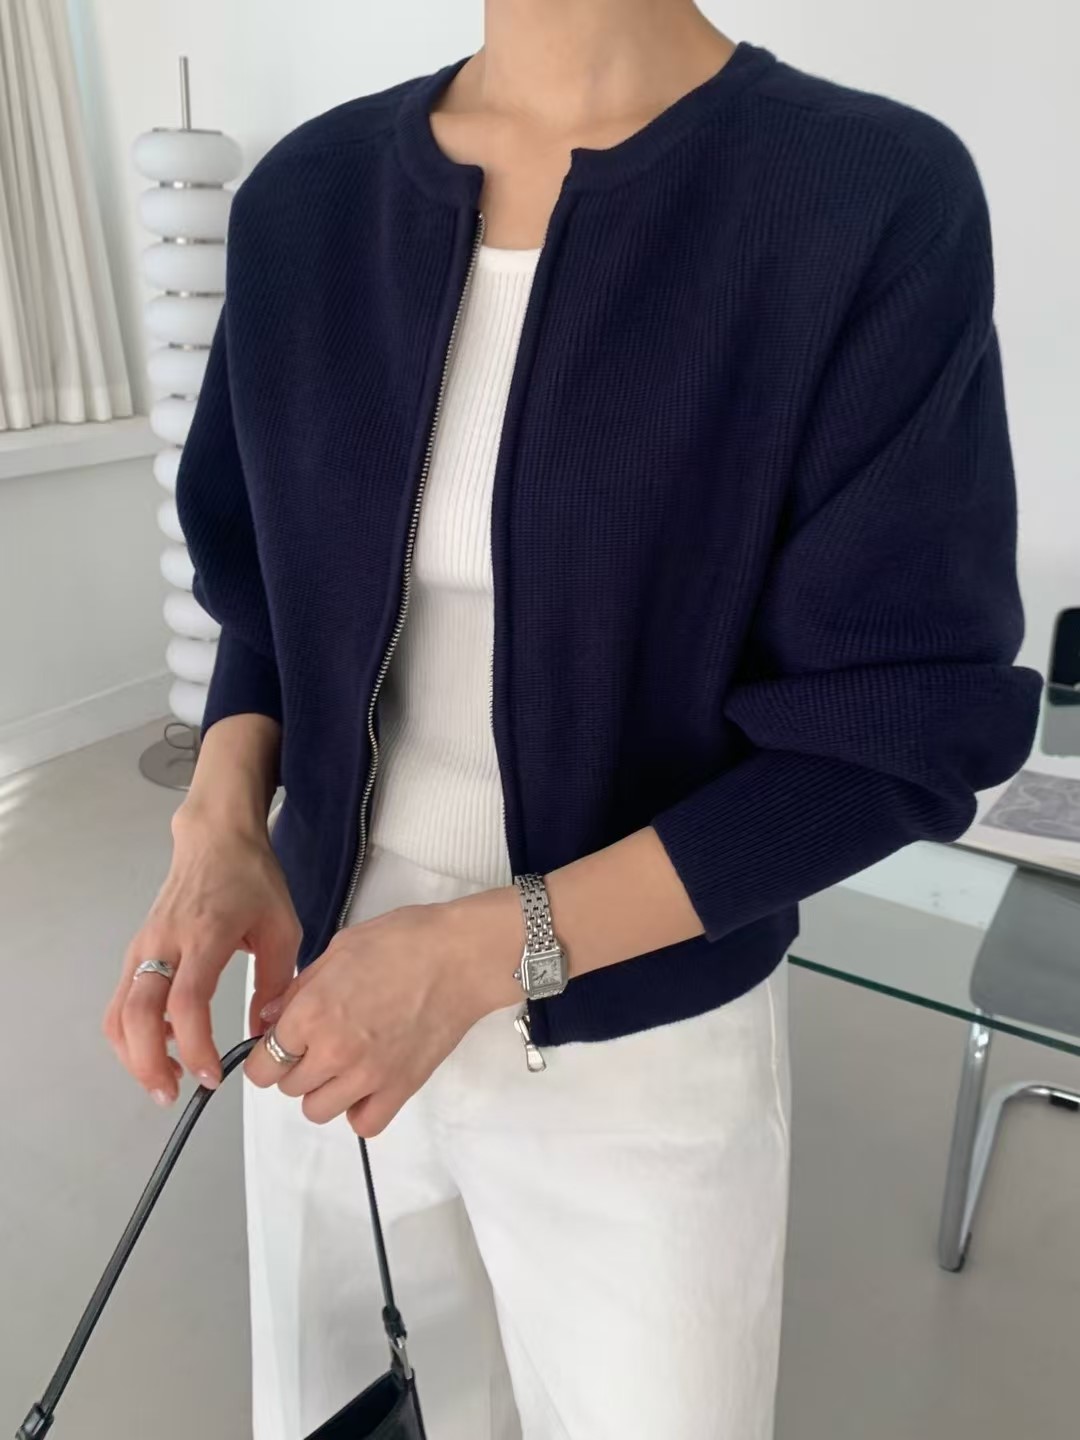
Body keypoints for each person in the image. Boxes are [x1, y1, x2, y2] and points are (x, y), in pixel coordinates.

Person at [103, 3, 1043, 1437]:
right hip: (320, 996)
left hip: (639, 1037)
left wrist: (480, 952)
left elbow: (894, 733)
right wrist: (220, 820)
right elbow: (273, 590)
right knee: (342, 1416)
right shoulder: (310, 198)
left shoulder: (864, 199)